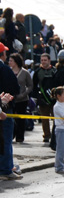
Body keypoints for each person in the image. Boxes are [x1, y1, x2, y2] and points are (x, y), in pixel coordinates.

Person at [0, 42, 21, 180]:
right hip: (5, 110)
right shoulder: (5, 70)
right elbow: (16, 89)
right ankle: (6, 170)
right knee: (6, 140)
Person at [33, 54, 56, 143]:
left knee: (55, 118)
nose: (43, 62)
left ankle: (54, 135)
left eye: (45, 60)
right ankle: (46, 135)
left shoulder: (54, 71)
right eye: (42, 60)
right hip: (42, 99)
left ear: (49, 60)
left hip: (54, 99)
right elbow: (34, 86)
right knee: (44, 119)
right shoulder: (38, 72)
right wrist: (37, 97)